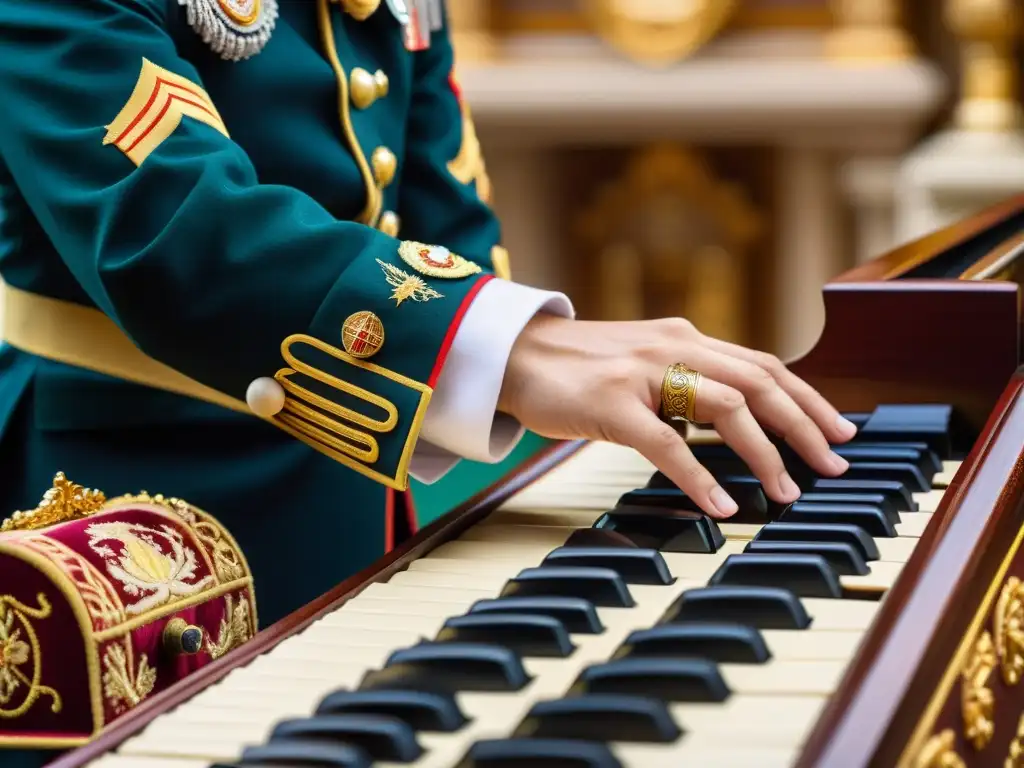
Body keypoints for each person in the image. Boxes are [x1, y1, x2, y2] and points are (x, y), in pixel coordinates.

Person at [0, 0, 857, 764]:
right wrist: (517, 353)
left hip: (359, 495)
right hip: (131, 519)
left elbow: (444, 225)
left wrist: (539, 361)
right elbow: (175, 229)